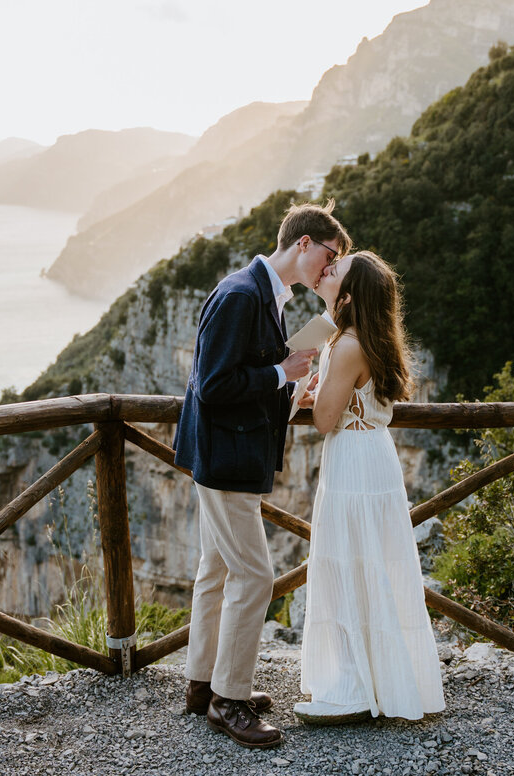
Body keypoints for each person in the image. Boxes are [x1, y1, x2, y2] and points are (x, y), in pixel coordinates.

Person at [173, 199, 352, 748]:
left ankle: (202, 685)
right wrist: (281, 369)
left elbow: (253, 377)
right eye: (329, 255)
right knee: (255, 576)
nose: (329, 268)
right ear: (303, 243)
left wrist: (294, 386)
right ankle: (230, 700)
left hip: (229, 453)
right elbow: (214, 385)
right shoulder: (241, 294)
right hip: (226, 459)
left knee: (216, 572)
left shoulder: (265, 295)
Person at [294, 250, 445, 724]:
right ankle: (386, 678)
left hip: (351, 464)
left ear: (350, 294)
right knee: (377, 564)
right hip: (377, 457)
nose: (326, 271)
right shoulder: (375, 340)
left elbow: (322, 420)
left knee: (344, 566)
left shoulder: (344, 344)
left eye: (334, 271)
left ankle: (352, 685)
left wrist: (305, 385)